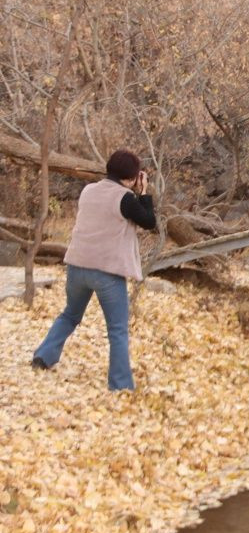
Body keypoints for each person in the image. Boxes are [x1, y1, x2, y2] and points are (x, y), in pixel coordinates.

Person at [32, 149, 157, 390]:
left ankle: (43, 356)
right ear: (131, 178)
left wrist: (134, 191)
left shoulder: (88, 191)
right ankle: (120, 385)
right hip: (106, 273)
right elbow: (149, 222)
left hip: (77, 266)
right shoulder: (126, 198)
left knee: (69, 315)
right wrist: (143, 193)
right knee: (118, 330)